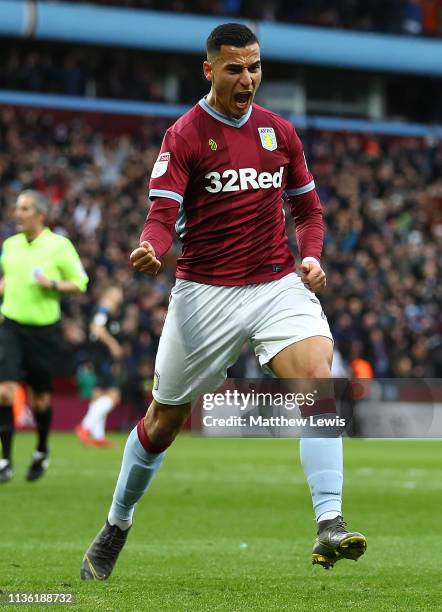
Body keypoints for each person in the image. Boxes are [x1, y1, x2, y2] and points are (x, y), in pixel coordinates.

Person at [80, 23, 366, 579]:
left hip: (276, 284)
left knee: (318, 381)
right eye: (235, 68)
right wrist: (150, 248)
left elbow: (308, 210)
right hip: (204, 293)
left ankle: (329, 522)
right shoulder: (184, 135)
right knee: (162, 423)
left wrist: (310, 256)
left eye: (255, 67)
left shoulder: (278, 133)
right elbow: (162, 215)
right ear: (208, 70)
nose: (248, 78)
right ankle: (117, 524)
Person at [0, 190, 88, 482]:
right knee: (5, 392)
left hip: (43, 331)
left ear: (40, 214)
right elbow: (7, 276)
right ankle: (5, 460)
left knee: (39, 401)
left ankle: (40, 449)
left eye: (24, 208)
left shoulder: (59, 246)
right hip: (10, 325)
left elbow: (80, 283)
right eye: (17, 208)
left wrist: (51, 284)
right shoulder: (10, 245)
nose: (18, 213)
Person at [75, 285, 124, 447]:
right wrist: (113, 344)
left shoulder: (111, 313)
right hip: (101, 358)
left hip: (102, 358)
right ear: (109, 294)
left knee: (98, 395)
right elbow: (96, 329)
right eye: (117, 292)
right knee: (114, 396)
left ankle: (98, 437)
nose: (120, 295)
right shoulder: (103, 309)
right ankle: (85, 426)